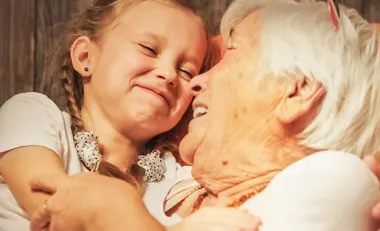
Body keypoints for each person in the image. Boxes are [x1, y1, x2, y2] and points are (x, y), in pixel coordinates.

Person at [29, 0, 380, 231]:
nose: (195, 81)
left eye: (230, 54)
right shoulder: (173, 199)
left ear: (297, 91)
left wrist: (115, 212)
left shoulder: (337, 181)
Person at [0, 0, 261, 231]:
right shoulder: (29, 116)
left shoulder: (178, 178)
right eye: (148, 48)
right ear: (85, 56)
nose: (169, 74)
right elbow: (58, 214)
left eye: (186, 71)